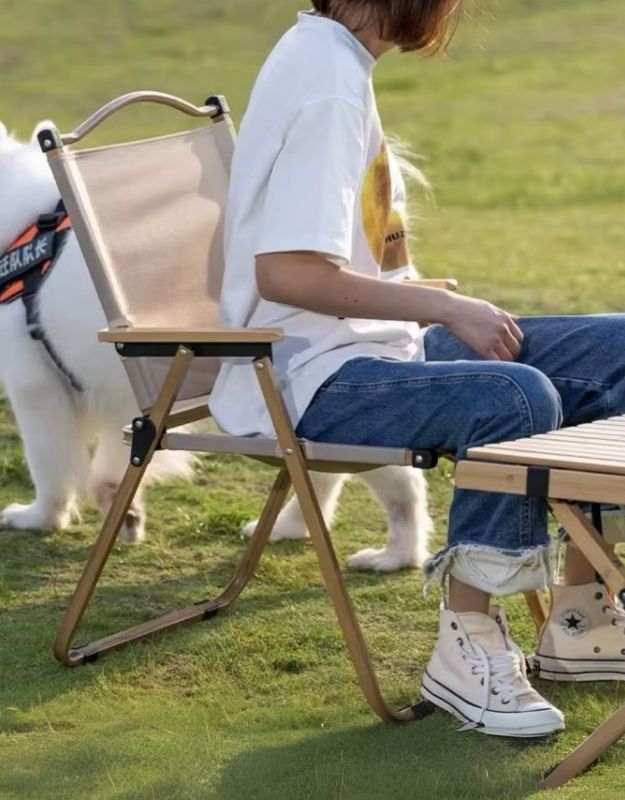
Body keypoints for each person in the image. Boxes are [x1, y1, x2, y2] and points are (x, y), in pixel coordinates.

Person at [209, 0, 625, 736]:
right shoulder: (326, 80)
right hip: (309, 377)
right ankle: (466, 647)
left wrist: (427, 302)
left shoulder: (337, 59)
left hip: (376, 347)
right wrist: (443, 313)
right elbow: (284, 275)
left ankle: (578, 614)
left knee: (614, 347)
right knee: (513, 398)